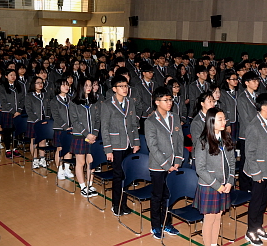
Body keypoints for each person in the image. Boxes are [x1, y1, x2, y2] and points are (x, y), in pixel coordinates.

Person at [145, 87, 183, 240]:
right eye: (165, 100)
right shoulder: (150, 121)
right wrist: (168, 165)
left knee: (169, 196)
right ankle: (155, 225)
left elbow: (180, 140)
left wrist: (179, 160)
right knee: (157, 196)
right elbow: (152, 147)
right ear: (156, 102)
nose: (169, 103)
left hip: (175, 164)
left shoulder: (174, 116)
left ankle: (167, 223)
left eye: (170, 99)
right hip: (158, 166)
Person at [194, 107, 235, 246]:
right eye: (220, 119)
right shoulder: (203, 141)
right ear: (211, 122)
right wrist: (217, 186)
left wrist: (230, 181)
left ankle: (213, 243)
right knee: (210, 218)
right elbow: (200, 169)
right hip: (210, 185)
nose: (224, 122)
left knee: (218, 217)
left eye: (224, 119)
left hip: (224, 185)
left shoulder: (226, 138)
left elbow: (232, 163)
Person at [100, 75, 140, 216]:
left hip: (129, 144)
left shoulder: (130, 102)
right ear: (114, 89)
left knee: (127, 175)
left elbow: (133, 124)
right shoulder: (107, 105)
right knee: (118, 175)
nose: (125, 89)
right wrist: (108, 150)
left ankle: (124, 203)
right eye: (121, 86)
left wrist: (136, 143)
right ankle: (116, 204)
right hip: (116, 145)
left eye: (126, 86)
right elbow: (104, 128)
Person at [244, 93, 267, 245]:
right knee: (256, 201)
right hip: (258, 170)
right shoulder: (253, 126)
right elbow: (249, 153)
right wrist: (256, 173)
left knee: (264, 200)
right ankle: (250, 231)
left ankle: (259, 227)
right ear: (263, 107)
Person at [70, 77, 100, 198]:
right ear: (81, 87)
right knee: (81, 162)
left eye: (90, 85)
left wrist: (95, 134)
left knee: (91, 162)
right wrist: (87, 133)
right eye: (86, 85)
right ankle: (83, 186)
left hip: (92, 137)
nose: (89, 88)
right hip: (80, 136)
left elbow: (98, 119)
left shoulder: (94, 102)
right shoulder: (74, 103)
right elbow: (75, 121)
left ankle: (90, 184)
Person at [237, 71, 260, 192]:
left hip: (258, 134)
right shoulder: (241, 98)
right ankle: (244, 186)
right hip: (247, 135)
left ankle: (253, 182)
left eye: (257, 81)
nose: (257, 83)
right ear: (246, 83)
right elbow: (245, 119)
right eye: (254, 81)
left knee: (254, 160)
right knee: (245, 161)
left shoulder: (258, 96)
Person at [51, 78, 75, 180]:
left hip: (71, 129)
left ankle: (67, 168)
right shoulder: (54, 100)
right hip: (60, 128)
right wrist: (65, 126)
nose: (66, 87)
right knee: (60, 149)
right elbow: (56, 116)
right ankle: (60, 169)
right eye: (63, 85)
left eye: (67, 85)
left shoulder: (71, 99)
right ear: (58, 87)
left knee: (69, 149)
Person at [25, 76, 50, 169]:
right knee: (34, 141)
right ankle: (35, 159)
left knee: (42, 140)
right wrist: (37, 120)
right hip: (34, 122)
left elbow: (48, 108)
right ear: (33, 84)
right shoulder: (29, 96)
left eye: (41, 83)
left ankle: (42, 159)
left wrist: (46, 118)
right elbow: (28, 110)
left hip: (44, 122)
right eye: (38, 83)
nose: (40, 84)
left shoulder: (45, 95)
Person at [0, 69, 24, 158]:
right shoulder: (2, 87)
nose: (13, 77)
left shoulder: (19, 85)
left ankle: (15, 148)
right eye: (11, 75)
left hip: (18, 113)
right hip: (8, 112)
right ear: (6, 76)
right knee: (7, 132)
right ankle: (8, 149)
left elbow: (22, 99)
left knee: (17, 131)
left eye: (14, 75)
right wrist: (13, 111)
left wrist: (19, 111)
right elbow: (3, 101)